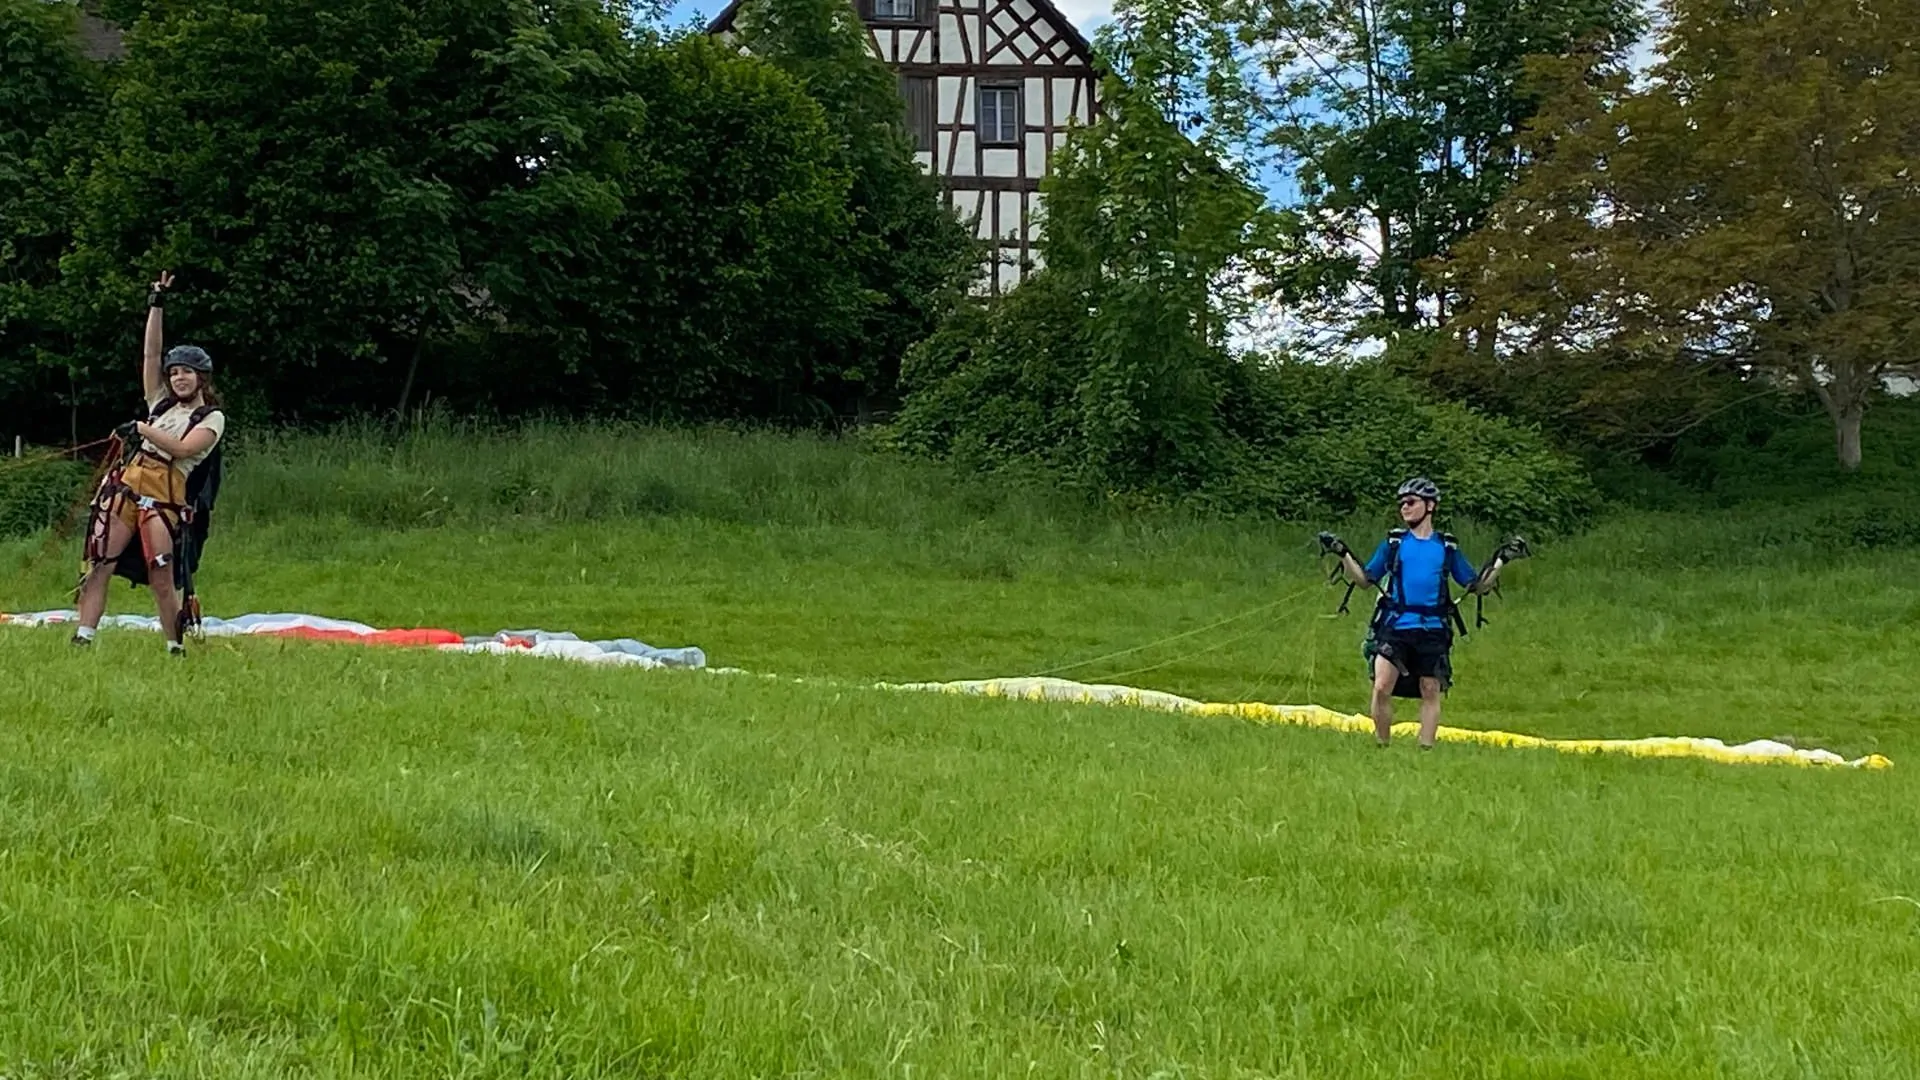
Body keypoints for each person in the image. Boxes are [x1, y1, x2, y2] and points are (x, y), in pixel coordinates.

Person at [72, 271, 227, 655]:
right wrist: (156, 303)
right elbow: (151, 355)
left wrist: (142, 428)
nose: (178, 378)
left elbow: (183, 449)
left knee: (161, 575)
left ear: (201, 378)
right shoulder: (160, 402)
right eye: (174, 373)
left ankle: (174, 646)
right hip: (128, 486)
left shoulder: (211, 417)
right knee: (100, 562)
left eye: (186, 372)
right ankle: (83, 637)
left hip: (163, 498)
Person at [1319, 478, 1509, 750]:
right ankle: (1381, 746)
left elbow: (1477, 586)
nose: (1404, 508)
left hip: (1433, 628)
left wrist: (1501, 560)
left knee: (1430, 689)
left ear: (1430, 506)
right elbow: (1364, 580)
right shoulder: (1394, 544)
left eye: (1410, 502)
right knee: (1382, 686)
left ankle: (1425, 750)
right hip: (1395, 626)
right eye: (1401, 504)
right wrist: (1343, 553)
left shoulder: (1446, 548)